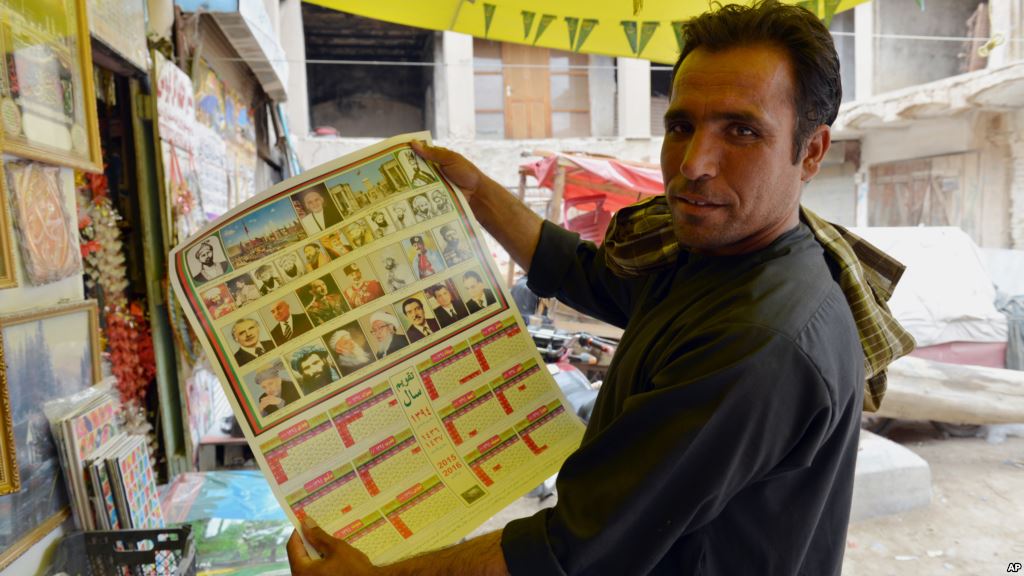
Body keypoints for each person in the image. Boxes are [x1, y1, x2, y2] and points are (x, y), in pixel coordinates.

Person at [287, 2, 915, 575]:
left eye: (742, 131)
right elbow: (585, 273)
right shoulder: (710, 255)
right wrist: (477, 194)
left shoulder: (759, 341)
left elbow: (568, 553)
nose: (694, 162)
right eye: (680, 126)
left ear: (811, 153)